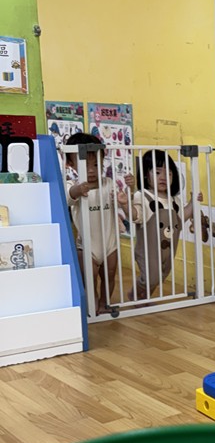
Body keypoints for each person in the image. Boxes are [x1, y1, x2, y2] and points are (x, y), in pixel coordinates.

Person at [64, 132, 133, 314]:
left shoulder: (108, 183)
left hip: (109, 243)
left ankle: (105, 303)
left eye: (96, 164)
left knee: (109, 276)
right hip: (87, 246)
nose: (92, 170)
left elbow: (121, 201)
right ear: (70, 164)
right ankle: (93, 300)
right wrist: (78, 190)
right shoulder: (71, 185)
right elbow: (68, 197)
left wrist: (127, 192)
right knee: (90, 276)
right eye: (85, 165)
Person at [131, 149, 201, 300]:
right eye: (157, 173)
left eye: (168, 173)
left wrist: (193, 201)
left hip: (168, 249)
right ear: (146, 174)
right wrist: (125, 204)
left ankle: (144, 299)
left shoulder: (174, 200)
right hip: (148, 249)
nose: (163, 177)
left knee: (161, 275)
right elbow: (135, 216)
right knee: (152, 277)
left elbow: (181, 218)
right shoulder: (142, 196)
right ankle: (135, 294)